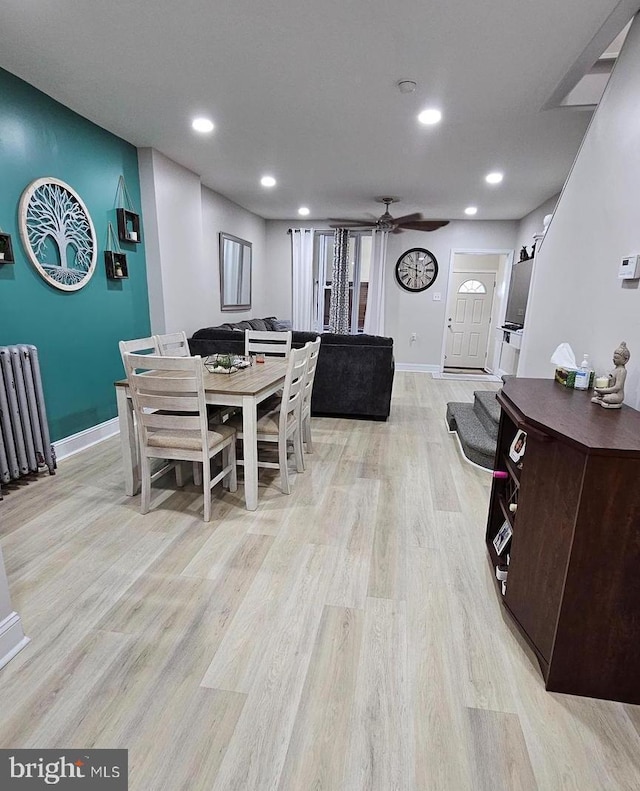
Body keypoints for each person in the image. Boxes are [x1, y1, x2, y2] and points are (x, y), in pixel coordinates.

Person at [591, 341, 630, 409]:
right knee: (596, 393)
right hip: (610, 392)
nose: (614, 359)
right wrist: (602, 388)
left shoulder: (622, 371)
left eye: (616, 358)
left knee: (606, 398)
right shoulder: (615, 369)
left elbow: (617, 388)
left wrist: (603, 391)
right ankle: (602, 398)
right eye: (614, 357)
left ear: (625, 360)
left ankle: (608, 401)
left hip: (617, 395)